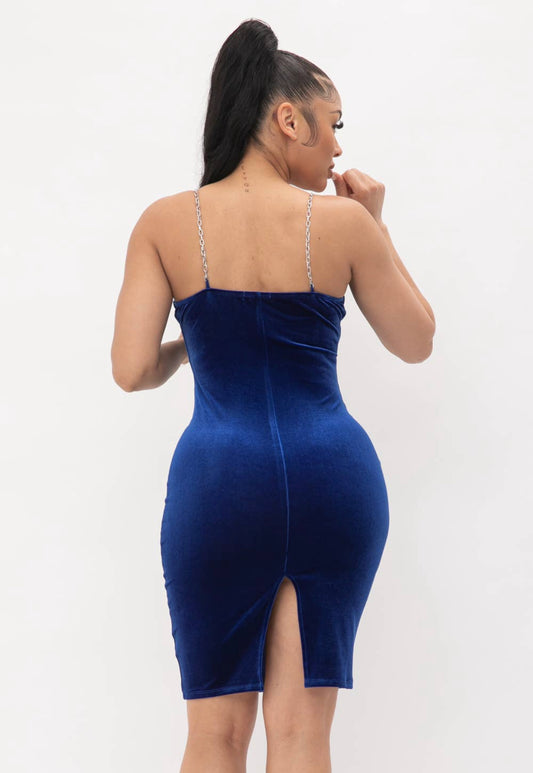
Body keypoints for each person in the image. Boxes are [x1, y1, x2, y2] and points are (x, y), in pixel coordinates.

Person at [111, 17, 435, 773]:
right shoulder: (344, 223)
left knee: (213, 736)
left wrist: (207, 338)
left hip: (219, 482)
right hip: (332, 476)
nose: (338, 148)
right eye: (333, 124)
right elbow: (416, 340)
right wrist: (373, 230)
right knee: (302, 736)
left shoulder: (165, 222)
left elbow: (131, 369)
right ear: (289, 119)